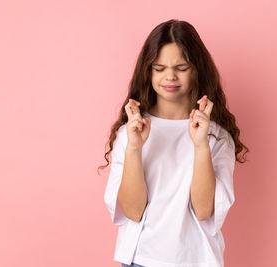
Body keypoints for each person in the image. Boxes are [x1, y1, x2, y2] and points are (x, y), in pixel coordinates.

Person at [98, 19, 249, 267]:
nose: (170, 76)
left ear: (196, 70)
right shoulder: (131, 132)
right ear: (147, 71)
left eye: (181, 67)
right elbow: (133, 212)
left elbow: (204, 211)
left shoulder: (216, 137)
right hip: (139, 260)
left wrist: (201, 146)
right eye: (159, 68)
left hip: (197, 260)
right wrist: (135, 148)